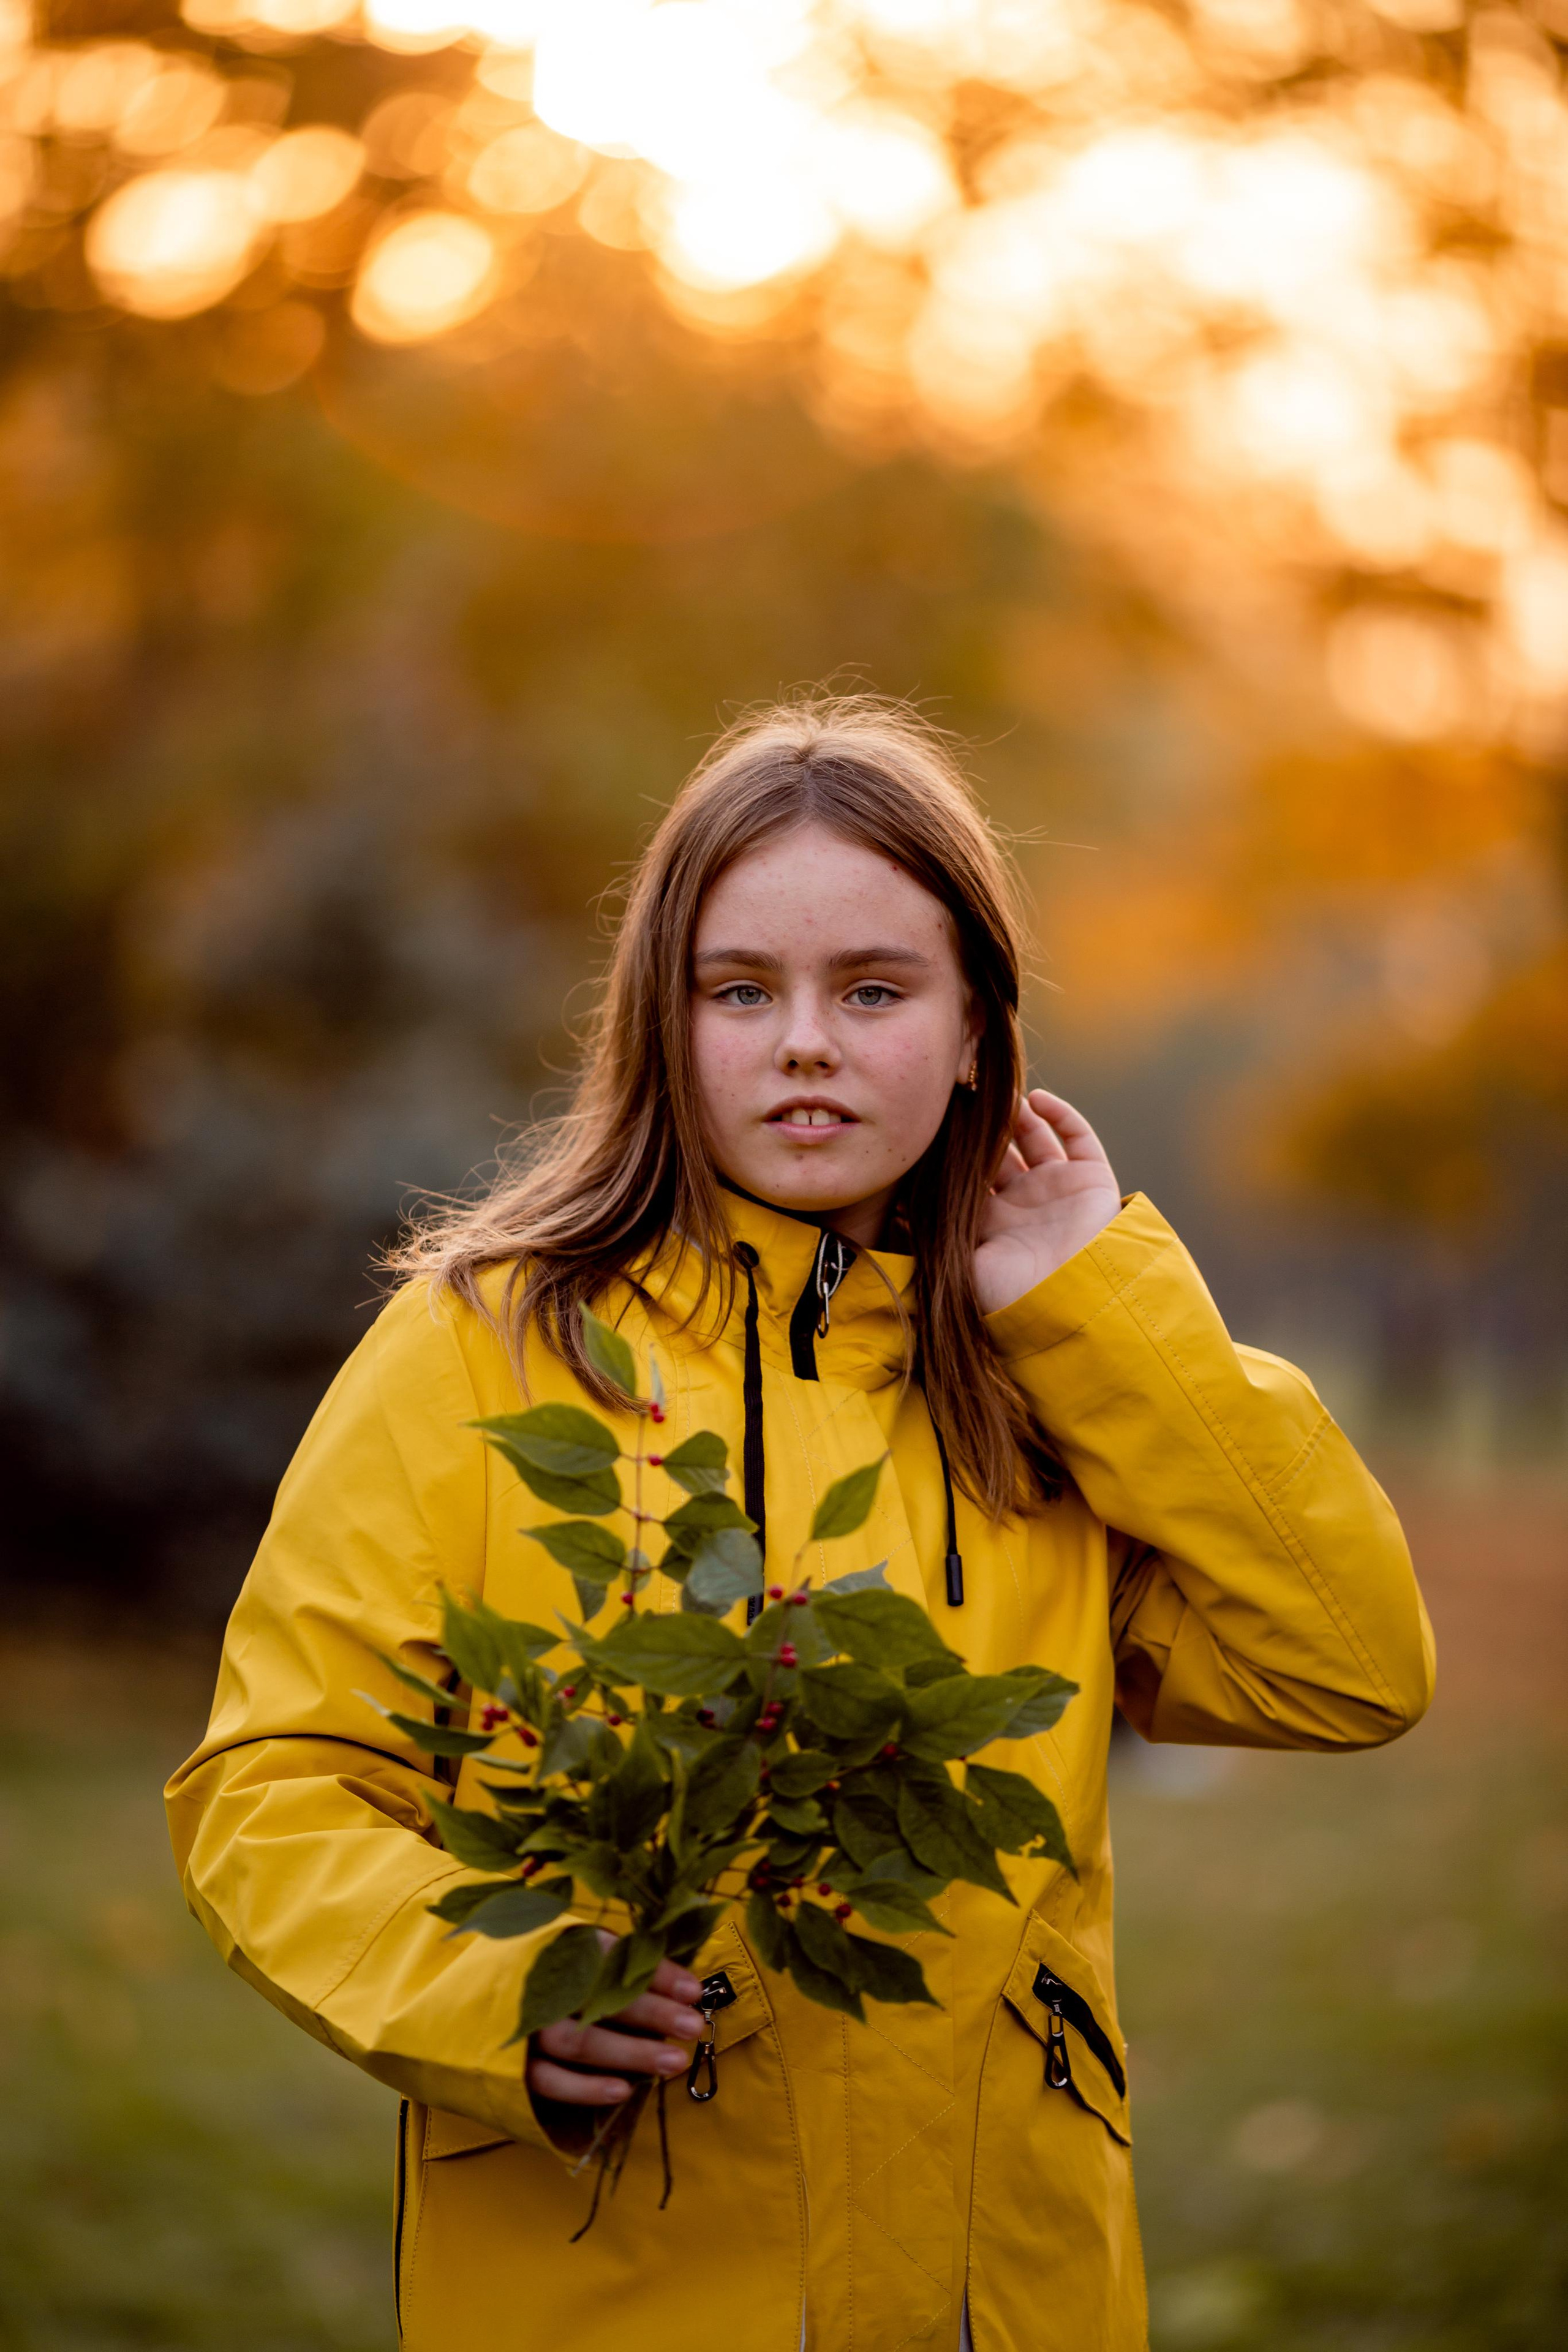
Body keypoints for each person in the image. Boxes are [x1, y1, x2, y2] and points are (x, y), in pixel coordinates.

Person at [166, 695, 1434, 2352]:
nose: (808, 1043)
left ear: (979, 1026)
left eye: (877, 990)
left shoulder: (1049, 1379)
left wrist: (1101, 1314)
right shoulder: (483, 1347)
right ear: (662, 1020)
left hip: (1003, 2289)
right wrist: (507, 1994)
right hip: (610, 2279)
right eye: (742, 990)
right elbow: (273, 1790)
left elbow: (1345, 1665)